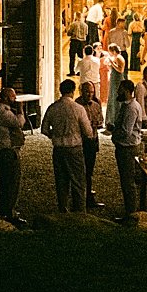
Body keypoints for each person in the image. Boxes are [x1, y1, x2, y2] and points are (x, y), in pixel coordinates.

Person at [41, 78, 94, 211]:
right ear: (73, 91)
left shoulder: (53, 108)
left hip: (58, 148)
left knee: (61, 182)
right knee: (78, 182)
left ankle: (63, 210)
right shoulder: (78, 109)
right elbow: (88, 132)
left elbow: (44, 129)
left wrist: (55, 135)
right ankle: (80, 213)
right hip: (74, 147)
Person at [108, 78, 146, 221]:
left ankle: (131, 213)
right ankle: (130, 211)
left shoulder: (131, 108)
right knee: (127, 181)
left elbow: (126, 131)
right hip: (126, 146)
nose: (118, 92)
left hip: (127, 148)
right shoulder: (127, 106)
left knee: (128, 181)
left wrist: (114, 134)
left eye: (120, 90)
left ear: (126, 91)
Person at [0, 87, 28, 227]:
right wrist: (20, 110)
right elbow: (19, 123)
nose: (15, 99)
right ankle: (9, 212)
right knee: (12, 182)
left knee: (5, 182)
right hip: (7, 151)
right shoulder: (4, 112)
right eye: (13, 97)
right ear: (7, 98)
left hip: (2, 149)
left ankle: (5, 210)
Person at [77, 82, 106, 209]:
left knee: (89, 171)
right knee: (79, 171)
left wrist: (94, 123)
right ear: (81, 91)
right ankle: (79, 200)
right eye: (87, 92)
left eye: (92, 92)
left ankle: (88, 197)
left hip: (92, 141)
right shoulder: (76, 105)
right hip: (80, 142)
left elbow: (100, 122)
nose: (90, 94)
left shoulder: (96, 105)